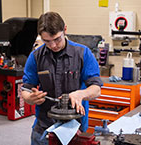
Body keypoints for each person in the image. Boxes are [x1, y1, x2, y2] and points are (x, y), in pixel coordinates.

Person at [21, 11, 103, 145]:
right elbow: (26, 88)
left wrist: (81, 94)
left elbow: (96, 89)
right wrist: (29, 98)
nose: (53, 45)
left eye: (57, 39)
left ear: (65, 29)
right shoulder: (35, 56)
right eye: (47, 41)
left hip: (75, 127)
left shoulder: (83, 54)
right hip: (44, 128)